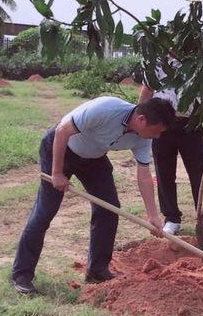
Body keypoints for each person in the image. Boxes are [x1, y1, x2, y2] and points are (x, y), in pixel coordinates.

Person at [10, 96, 176, 295]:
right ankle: (22, 274)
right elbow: (62, 131)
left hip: (94, 159)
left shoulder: (142, 138)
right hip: (60, 149)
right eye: (156, 131)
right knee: (45, 211)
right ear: (141, 119)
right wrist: (56, 173)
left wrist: (153, 216)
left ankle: (97, 270)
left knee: (109, 209)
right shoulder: (105, 109)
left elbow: (144, 176)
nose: (157, 137)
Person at [139, 76, 203, 238]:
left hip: (191, 123)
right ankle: (172, 218)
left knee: (201, 174)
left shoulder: (196, 57)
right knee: (164, 173)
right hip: (161, 124)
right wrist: (140, 118)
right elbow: (147, 91)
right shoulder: (156, 62)